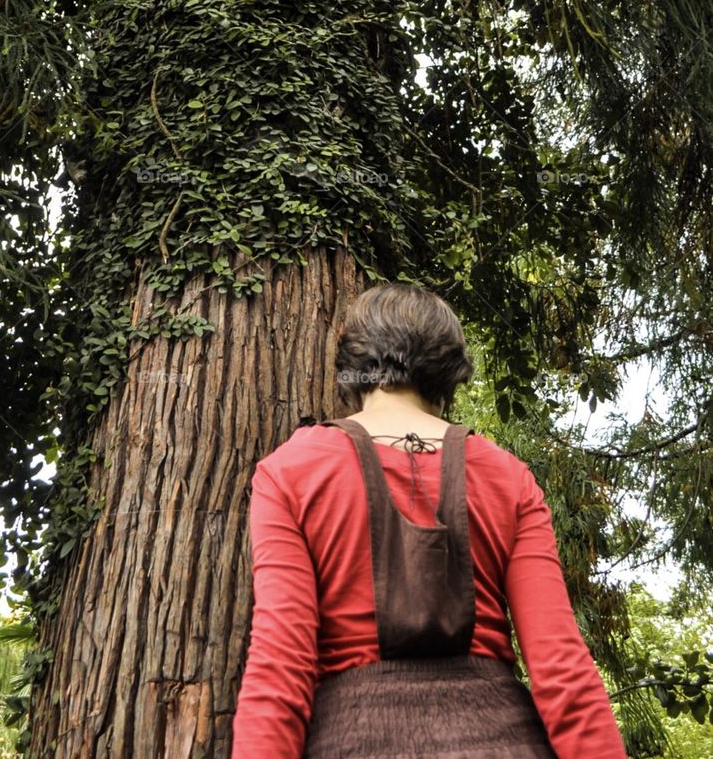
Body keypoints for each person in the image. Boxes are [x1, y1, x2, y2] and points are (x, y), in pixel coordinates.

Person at [231, 282, 628, 759]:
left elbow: (280, 665)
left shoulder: (291, 470)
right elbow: (560, 665)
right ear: (449, 373)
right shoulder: (507, 477)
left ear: (353, 367)